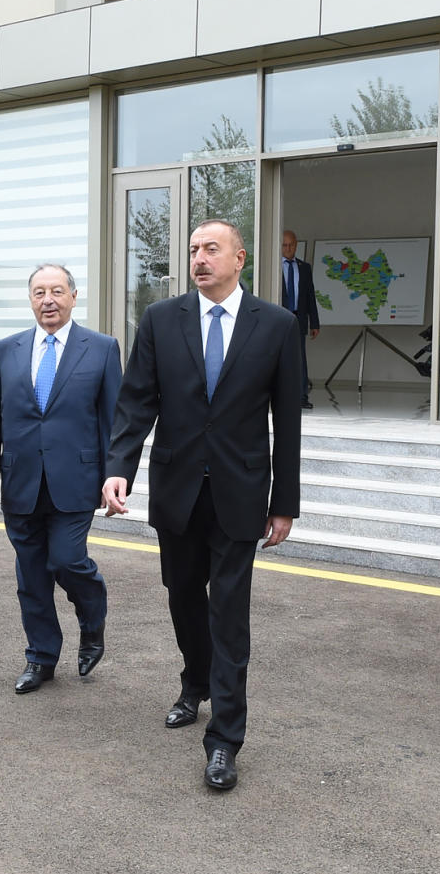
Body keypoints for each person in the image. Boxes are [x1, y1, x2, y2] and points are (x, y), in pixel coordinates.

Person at [103, 219, 303, 792]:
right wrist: (119, 469)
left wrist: (283, 502)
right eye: (193, 250)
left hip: (241, 493)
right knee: (183, 594)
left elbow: (285, 421)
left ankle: (224, 740)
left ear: (240, 257)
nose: (199, 258)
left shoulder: (278, 325)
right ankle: (194, 682)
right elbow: (136, 402)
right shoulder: (162, 320)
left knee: (229, 613)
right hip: (177, 488)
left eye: (211, 249)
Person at [0, 264, 122, 694]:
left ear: (74, 296)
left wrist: (115, 477)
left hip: (76, 478)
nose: (48, 300)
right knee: (31, 575)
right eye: (39, 292)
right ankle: (40, 657)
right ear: (30, 299)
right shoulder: (7, 349)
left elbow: (114, 421)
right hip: (20, 480)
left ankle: (92, 617)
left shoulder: (102, 348)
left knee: (67, 560)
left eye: (57, 291)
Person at [278, 230, 320, 409]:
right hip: (279, 318)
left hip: (298, 318)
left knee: (300, 358)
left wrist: (315, 323)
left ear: (296, 245)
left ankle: (302, 396)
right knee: (276, 358)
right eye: (284, 245)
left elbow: (310, 296)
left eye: (291, 245)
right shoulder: (273, 266)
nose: (288, 249)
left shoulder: (304, 267)